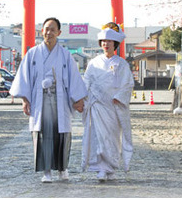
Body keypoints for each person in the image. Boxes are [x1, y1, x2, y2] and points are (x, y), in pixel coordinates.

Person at [10, 17, 86, 183]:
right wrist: (25, 99)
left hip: (60, 100)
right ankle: (47, 171)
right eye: (46, 29)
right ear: (42, 31)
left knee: (62, 134)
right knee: (44, 134)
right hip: (40, 99)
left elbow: (74, 77)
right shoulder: (33, 54)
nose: (49, 32)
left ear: (59, 33)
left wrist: (78, 99)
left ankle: (62, 169)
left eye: (53, 29)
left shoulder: (65, 55)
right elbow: (24, 78)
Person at [81, 23, 134, 181]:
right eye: (103, 41)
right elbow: (86, 81)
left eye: (109, 41)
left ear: (115, 44)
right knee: (99, 136)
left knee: (112, 136)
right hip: (97, 104)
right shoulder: (93, 62)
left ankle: (111, 167)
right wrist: (81, 98)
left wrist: (119, 96)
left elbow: (128, 84)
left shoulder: (122, 64)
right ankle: (101, 168)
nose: (106, 44)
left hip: (113, 105)